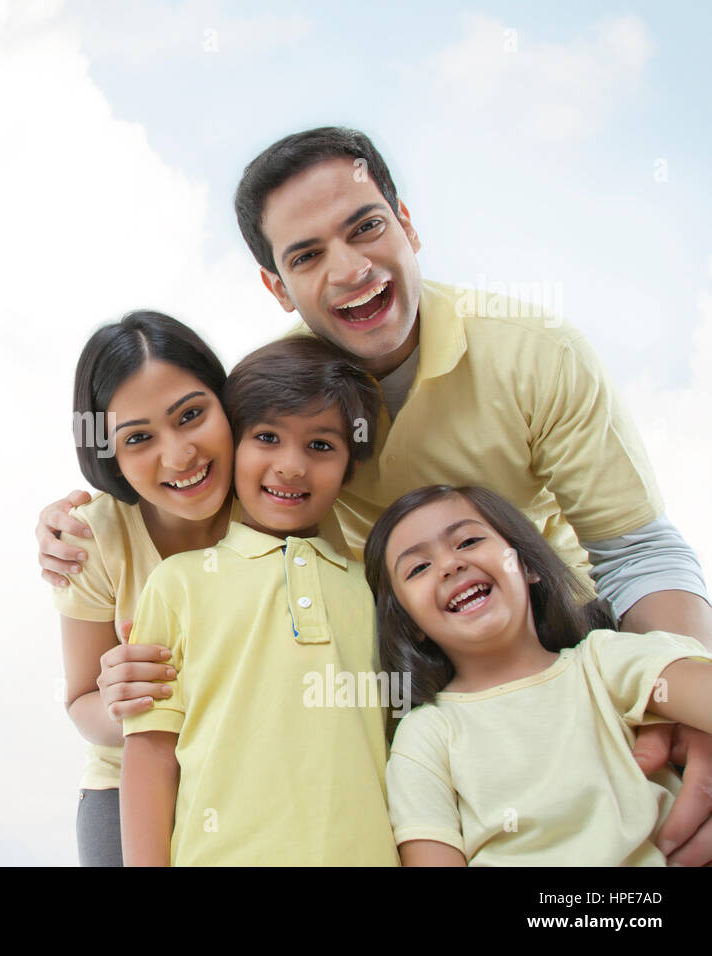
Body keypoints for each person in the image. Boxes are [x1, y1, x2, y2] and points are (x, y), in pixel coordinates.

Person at [35, 127, 712, 865]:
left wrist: (681, 707)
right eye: (305, 254)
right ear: (276, 286)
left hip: (544, 663)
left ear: (408, 223)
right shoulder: (254, 417)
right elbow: (176, 475)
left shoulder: (531, 353)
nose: (350, 269)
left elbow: (635, 547)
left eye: (366, 227)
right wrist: (128, 683)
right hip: (238, 760)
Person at [121, 335, 395, 866]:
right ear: (232, 444)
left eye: (321, 445)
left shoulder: (375, 588)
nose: (291, 466)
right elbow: (151, 755)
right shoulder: (176, 584)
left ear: (349, 467)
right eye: (267, 436)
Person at [364, 484, 712, 865]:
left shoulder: (604, 661)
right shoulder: (425, 735)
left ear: (526, 565)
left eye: (467, 542)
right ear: (409, 623)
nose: (450, 565)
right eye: (418, 568)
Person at [55, 310, 243, 866]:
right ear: (107, 452)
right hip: (125, 789)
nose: (179, 455)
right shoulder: (92, 539)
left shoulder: (277, 501)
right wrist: (120, 705)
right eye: (138, 438)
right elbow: (79, 701)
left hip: (247, 780)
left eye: (191, 415)